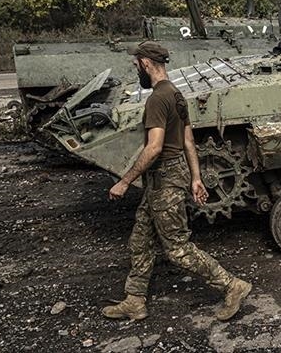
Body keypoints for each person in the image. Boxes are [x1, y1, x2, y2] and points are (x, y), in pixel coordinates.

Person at [102, 41, 251, 321]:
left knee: (178, 248)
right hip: (168, 176)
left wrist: (125, 181)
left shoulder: (157, 98)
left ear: (146, 64)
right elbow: (187, 140)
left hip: (165, 178)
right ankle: (135, 300)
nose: (137, 72)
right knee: (141, 239)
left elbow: (155, 147)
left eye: (137, 66)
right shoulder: (176, 94)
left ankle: (232, 286)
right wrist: (196, 177)